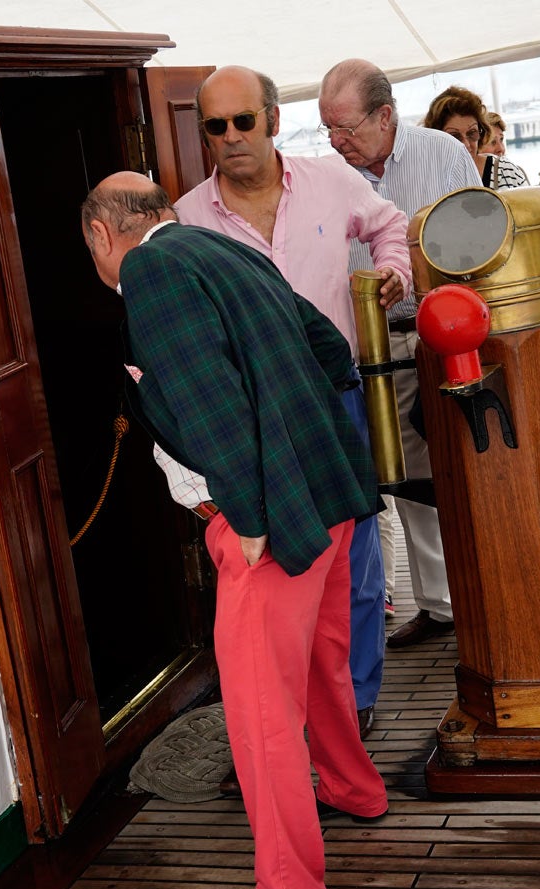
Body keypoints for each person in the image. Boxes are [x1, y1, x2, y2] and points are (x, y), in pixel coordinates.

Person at [80, 172, 387, 889]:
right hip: (328, 488)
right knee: (323, 665)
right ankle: (354, 788)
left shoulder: (149, 270)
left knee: (260, 712)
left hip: (270, 519)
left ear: (100, 233)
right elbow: (327, 344)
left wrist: (251, 516)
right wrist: (305, 428)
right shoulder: (223, 249)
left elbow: (207, 394)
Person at [174, 64, 412, 739]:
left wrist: (392, 273)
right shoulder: (189, 218)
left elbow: (390, 223)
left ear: (274, 121)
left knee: (357, 559)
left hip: (336, 400)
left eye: (243, 121)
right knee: (277, 569)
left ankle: (356, 697)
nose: (231, 137)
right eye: (215, 126)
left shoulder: (331, 181)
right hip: (254, 418)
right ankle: (295, 705)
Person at [319, 58, 479, 649]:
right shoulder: (327, 177)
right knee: (406, 476)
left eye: (347, 129)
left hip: (447, 330)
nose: (337, 143)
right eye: (327, 131)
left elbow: (477, 237)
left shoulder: (444, 153)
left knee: (467, 466)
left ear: (385, 116)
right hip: (375, 340)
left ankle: (482, 594)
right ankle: (439, 605)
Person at [421, 87, 528, 190]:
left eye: (472, 133)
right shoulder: (426, 181)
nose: (466, 144)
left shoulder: (505, 171)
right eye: (455, 137)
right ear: (436, 139)